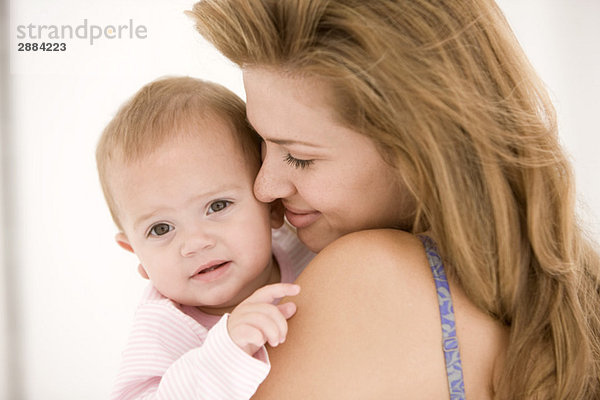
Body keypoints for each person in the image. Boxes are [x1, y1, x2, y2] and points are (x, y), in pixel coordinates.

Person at [188, 0, 600, 398]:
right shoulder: (574, 304)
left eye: (300, 157)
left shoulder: (367, 278)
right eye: (261, 141)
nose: (264, 187)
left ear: (421, 151)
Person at [96, 76, 315, 399]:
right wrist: (223, 354)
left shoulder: (307, 252)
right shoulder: (166, 325)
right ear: (137, 255)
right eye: (161, 229)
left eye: (217, 206)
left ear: (271, 208)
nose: (196, 243)